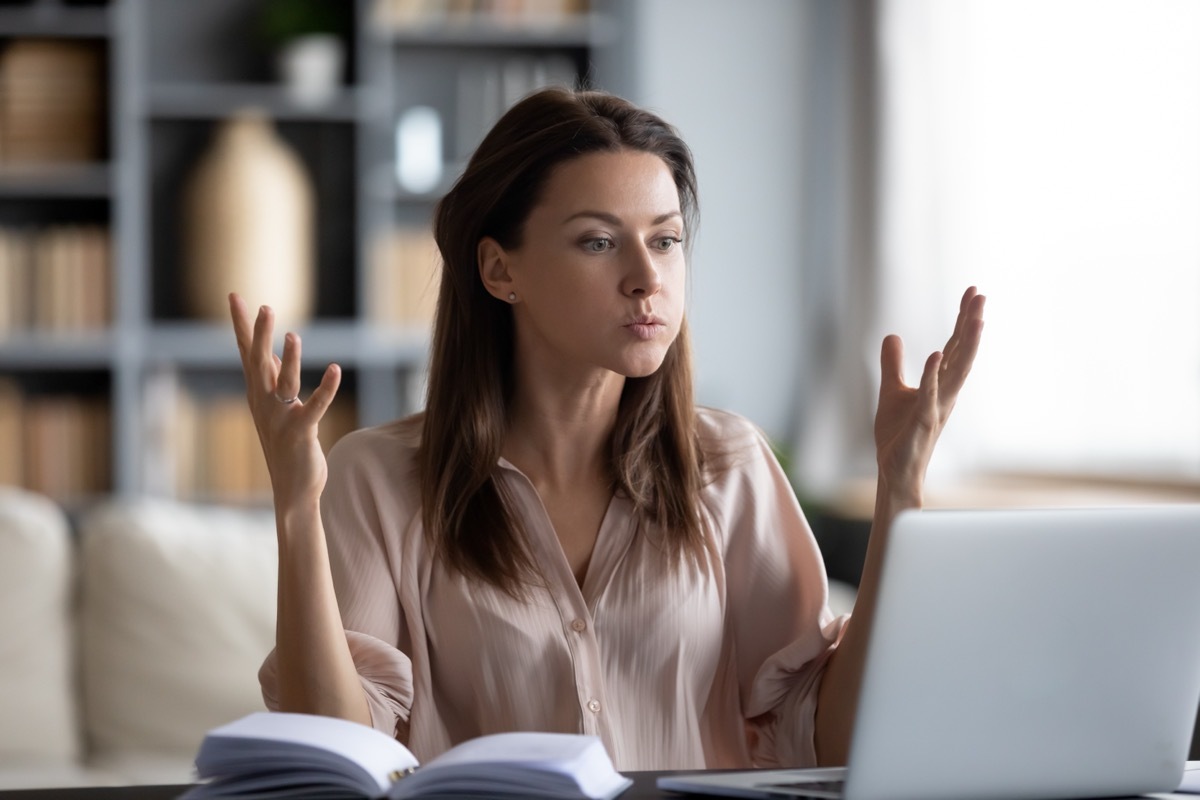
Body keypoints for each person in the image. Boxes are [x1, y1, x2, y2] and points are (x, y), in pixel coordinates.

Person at [229, 86, 985, 772]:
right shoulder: (378, 478)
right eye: (598, 241)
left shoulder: (731, 465)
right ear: (500, 271)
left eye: (664, 240)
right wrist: (296, 508)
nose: (646, 277)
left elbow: (835, 746)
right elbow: (333, 759)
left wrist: (900, 490)